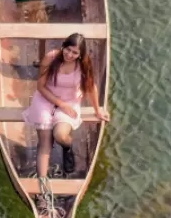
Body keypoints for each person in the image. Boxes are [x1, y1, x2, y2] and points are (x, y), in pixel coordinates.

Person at [22, 32, 109, 180]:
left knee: (60, 135)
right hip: (46, 98)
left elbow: (91, 87)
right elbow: (41, 87)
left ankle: (67, 148)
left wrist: (97, 110)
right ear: (63, 46)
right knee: (45, 142)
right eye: (67, 49)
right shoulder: (51, 57)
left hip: (70, 102)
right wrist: (60, 104)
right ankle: (43, 185)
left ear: (80, 54)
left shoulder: (83, 64)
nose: (69, 54)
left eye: (75, 52)